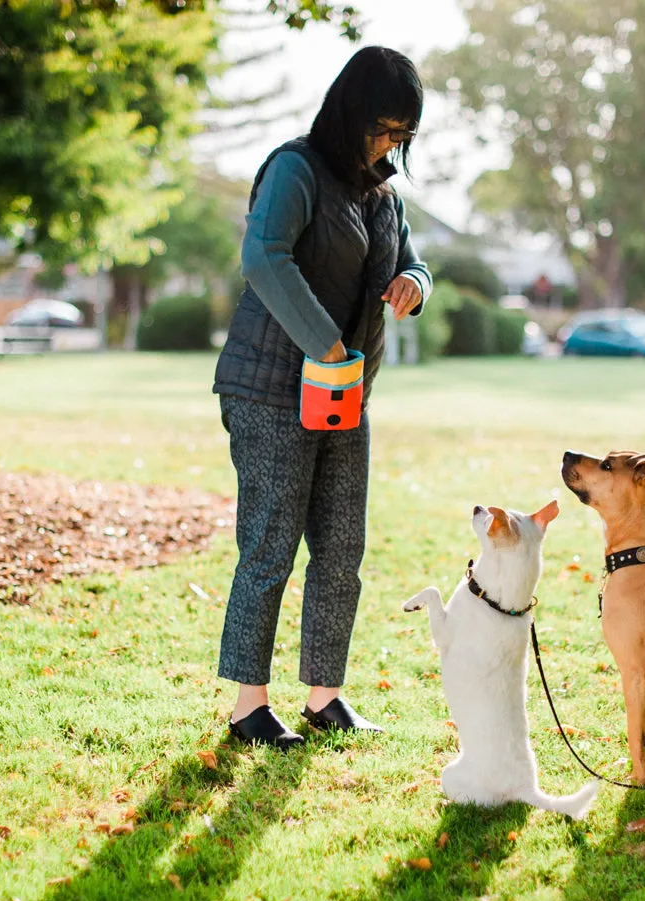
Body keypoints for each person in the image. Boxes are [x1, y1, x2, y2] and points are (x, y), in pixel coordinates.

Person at [211, 46, 433, 749]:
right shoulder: (295, 169)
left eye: (404, 133)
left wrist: (414, 285)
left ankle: (325, 697)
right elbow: (264, 256)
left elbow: (412, 260)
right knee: (271, 545)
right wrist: (322, 341)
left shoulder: (383, 194)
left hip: (344, 394)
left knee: (342, 548)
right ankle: (249, 707)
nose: (392, 143)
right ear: (352, 112)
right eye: (386, 126)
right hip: (270, 386)